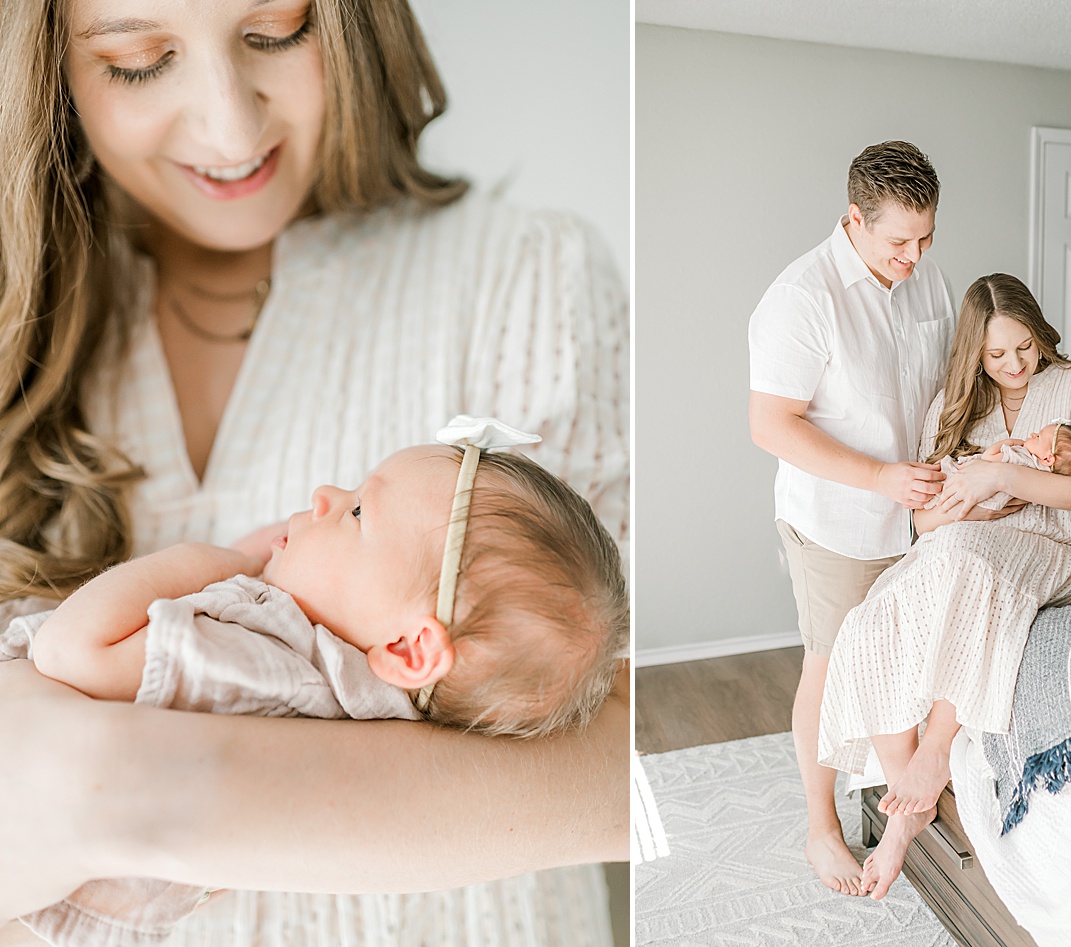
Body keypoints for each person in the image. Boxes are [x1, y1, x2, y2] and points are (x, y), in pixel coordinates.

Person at [0, 0, 629, 942]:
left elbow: (618, 748)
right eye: (137, 60)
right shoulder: (25, 330)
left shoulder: (523, 274)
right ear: (45, 64)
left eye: (276, 31)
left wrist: (114, 794)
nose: (230, 125)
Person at [11, 423, 628, 945]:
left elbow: (70, 652)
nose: (326, 496)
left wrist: (218, 561)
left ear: (409, 648)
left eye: (359, 512)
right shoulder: (365, 715)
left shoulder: (251, 659)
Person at [816, 273, 1071, 901]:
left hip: (1069, 542)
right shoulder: (953, 406)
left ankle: (935, 751)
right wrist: (966, 503)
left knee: (967, 561)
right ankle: (903, 805)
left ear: (1039, 332)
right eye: (997, 354)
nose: (1015, 364)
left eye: (1024, 346)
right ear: (976, 353)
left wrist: (1003, 475)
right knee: (870, 619)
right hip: (969, 536)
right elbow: (921, 521)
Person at [746, 140, 962, 896]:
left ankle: (900, 787)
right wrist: (879, 475)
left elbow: (942, 384)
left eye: (927, 235)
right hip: (835, 522)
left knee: (906, 660)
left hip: (915, 518)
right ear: (853, 219)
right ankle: (821, 827)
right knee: (832, 664)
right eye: (899, 240)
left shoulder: (926, 277)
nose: (915, 253)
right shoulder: (801, 299)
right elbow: (772, 425)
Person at [925, 421, 1071, 512]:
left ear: (1048, 458)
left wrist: (1007, 443)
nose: (1032, 434)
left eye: (1037, 437)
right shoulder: (1044, 476)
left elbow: (988, 459)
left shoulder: (1020, 458)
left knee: (940, 480)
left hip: (970, 483)